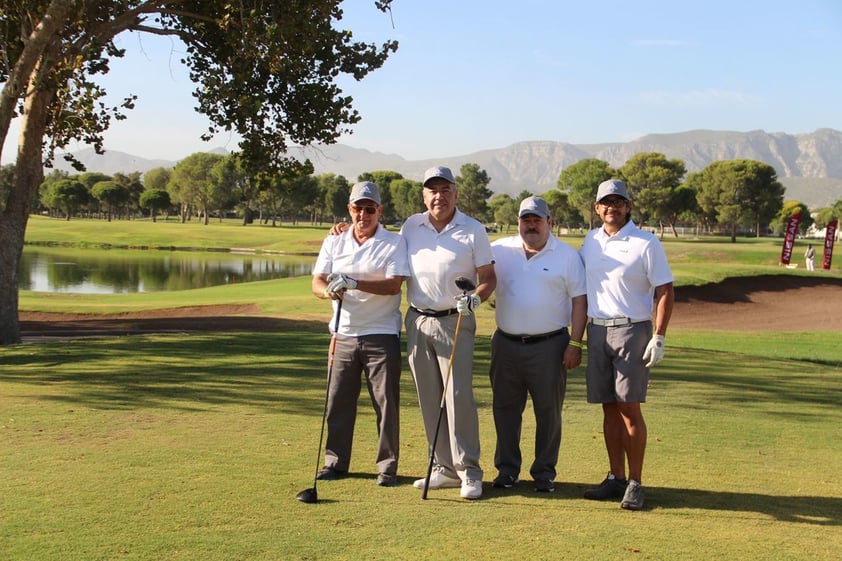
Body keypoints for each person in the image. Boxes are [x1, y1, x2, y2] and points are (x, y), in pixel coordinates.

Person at [579, 179, 674, 511]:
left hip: (632, 330)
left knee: (629, 408)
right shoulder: (589, 242)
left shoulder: (646, 243)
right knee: (608, 406)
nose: (612, 207)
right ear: (597, 207)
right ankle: (615, 477)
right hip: (597, 331)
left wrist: (659, 335)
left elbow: (665, 290)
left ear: (628, 206)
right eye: (606, 202)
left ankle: (635, 482)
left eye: (618, 202)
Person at [403, 165, 496, 500]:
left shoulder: (473, 229)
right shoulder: (411, 226)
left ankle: (468, 470)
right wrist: (340, 232)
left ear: (456, 193)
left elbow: (488, 277)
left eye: (445, 189)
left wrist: (475, 298)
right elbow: (382, 248)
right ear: (424, 195)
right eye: (432, 190)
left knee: (457, 397)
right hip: (417, 320)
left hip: (455, 320)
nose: (438, 196)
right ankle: (443, 468)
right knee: (429, 397)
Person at [311, 181, 410, 487]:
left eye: (370, 209)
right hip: (343, 333)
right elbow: (317, 280)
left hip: (381, 334)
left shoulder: (393, 243)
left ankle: (387, 467)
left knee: (386, 404)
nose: (363, 214)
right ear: (349, 209)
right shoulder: (335, 241)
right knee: (338, 401)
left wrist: (353, 283)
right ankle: (335, 462)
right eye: (358, 208)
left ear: (380, 210)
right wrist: (328, 293)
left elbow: (394, 285)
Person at [488, 196, 587, 493]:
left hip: (550, 345)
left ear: (549, 223)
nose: (531, 225)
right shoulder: (499, 249)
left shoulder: (567, 256)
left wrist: (575, 343)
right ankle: (507, 471)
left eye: (537, 220)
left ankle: (544, 472)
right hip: (505, 343)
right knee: (505, 410)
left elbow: (580, 301)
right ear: (518, 222)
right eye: (526, 220)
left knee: (548, 411)